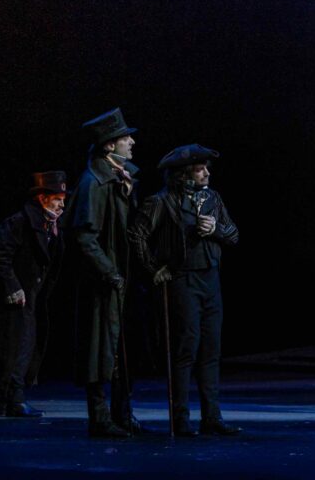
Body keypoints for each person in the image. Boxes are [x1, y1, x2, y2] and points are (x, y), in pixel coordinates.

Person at [128, 144, 241, 436]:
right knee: (185, 349)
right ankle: (180, 419)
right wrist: (154, 269)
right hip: (182, 280)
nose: (206, 173)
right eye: (199, 169)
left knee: (211, 350)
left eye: (205, 168)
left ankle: (211, 417)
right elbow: (137, 235)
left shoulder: (212, 198)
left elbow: (233, 234)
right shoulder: (161, 202)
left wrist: (215, 228)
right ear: (182, 175)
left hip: (210, 279)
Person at [65, 108, 146, 438]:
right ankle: (100, 418)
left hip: (125, 279)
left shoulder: (121, 177)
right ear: (109, 147)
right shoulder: (94, 183)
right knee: (101, 349)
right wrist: (109, 273)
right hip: (105, 282)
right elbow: (84, 235)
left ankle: (123, 413)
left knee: (127, 347)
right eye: (125, 138)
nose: (131, 141)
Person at [0, 171, 67, 418]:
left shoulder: (53, 226)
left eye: (63, 199)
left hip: (33, 296)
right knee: (15, 348)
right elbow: (2, 257)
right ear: (42, 198)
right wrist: (13, 287)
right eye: (57, 198)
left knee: (26, 347)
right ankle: (12, 400)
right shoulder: (20, 222)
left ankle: (12, 399)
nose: (62, 204)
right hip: (16, 297)